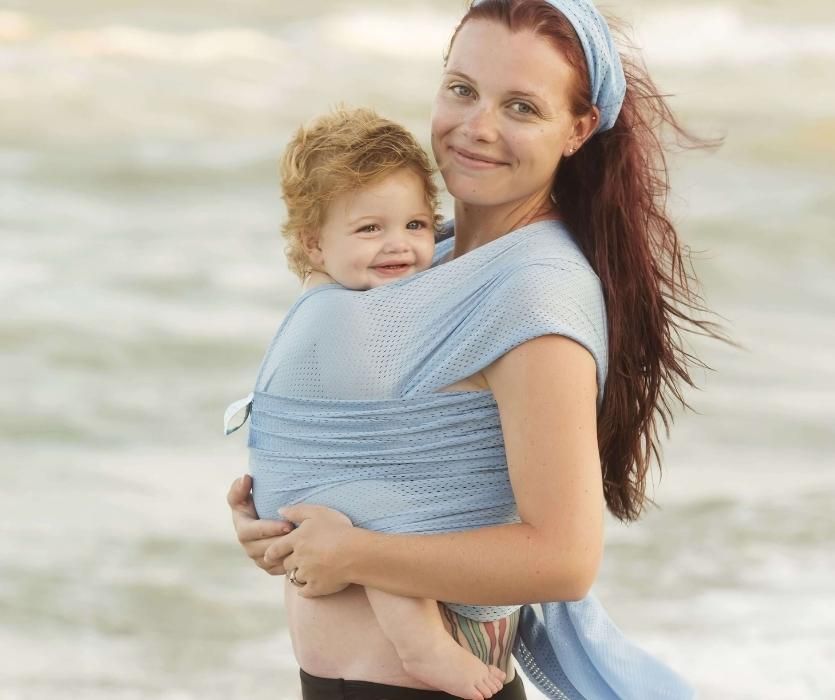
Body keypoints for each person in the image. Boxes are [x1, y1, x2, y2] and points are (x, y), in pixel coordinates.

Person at [227, 1, 715, 698]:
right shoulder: (433, 252)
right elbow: (384, 462)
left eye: (520, 106)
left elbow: (562, 559)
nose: (476, 128)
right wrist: (282, 524)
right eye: (461, 89)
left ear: (577, 129)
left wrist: (350, 553)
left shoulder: (531, 296)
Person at [227, 106, 508, 699]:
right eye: (369, 229)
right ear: (314, 244)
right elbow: (378, 478)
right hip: (389, 670)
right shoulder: (346, 319)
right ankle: (422, 643)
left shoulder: (341, 301)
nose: (398, 246)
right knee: (380, 511)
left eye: (416, 225)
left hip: (348, 651)